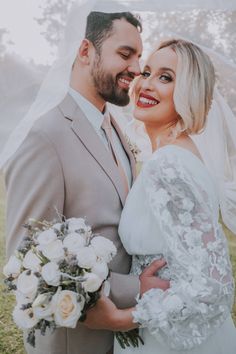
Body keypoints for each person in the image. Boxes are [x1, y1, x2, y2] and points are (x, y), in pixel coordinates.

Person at [4, 11, 169, 354]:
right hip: (74, 340)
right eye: (125, 54)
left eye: (139, 56)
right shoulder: (43, 135)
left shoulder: (116, 127)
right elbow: (25, 263)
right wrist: (135, 287)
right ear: (84, 51)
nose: (138, 69)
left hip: (124, 342)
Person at [84, 39, 236, 354]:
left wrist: (123, 319)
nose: (146, 84)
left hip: (167, 340)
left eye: (165, 77)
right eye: (148, 72)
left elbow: (212, 286)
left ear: (190, 91)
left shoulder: (170, 165)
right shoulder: (174, 155)